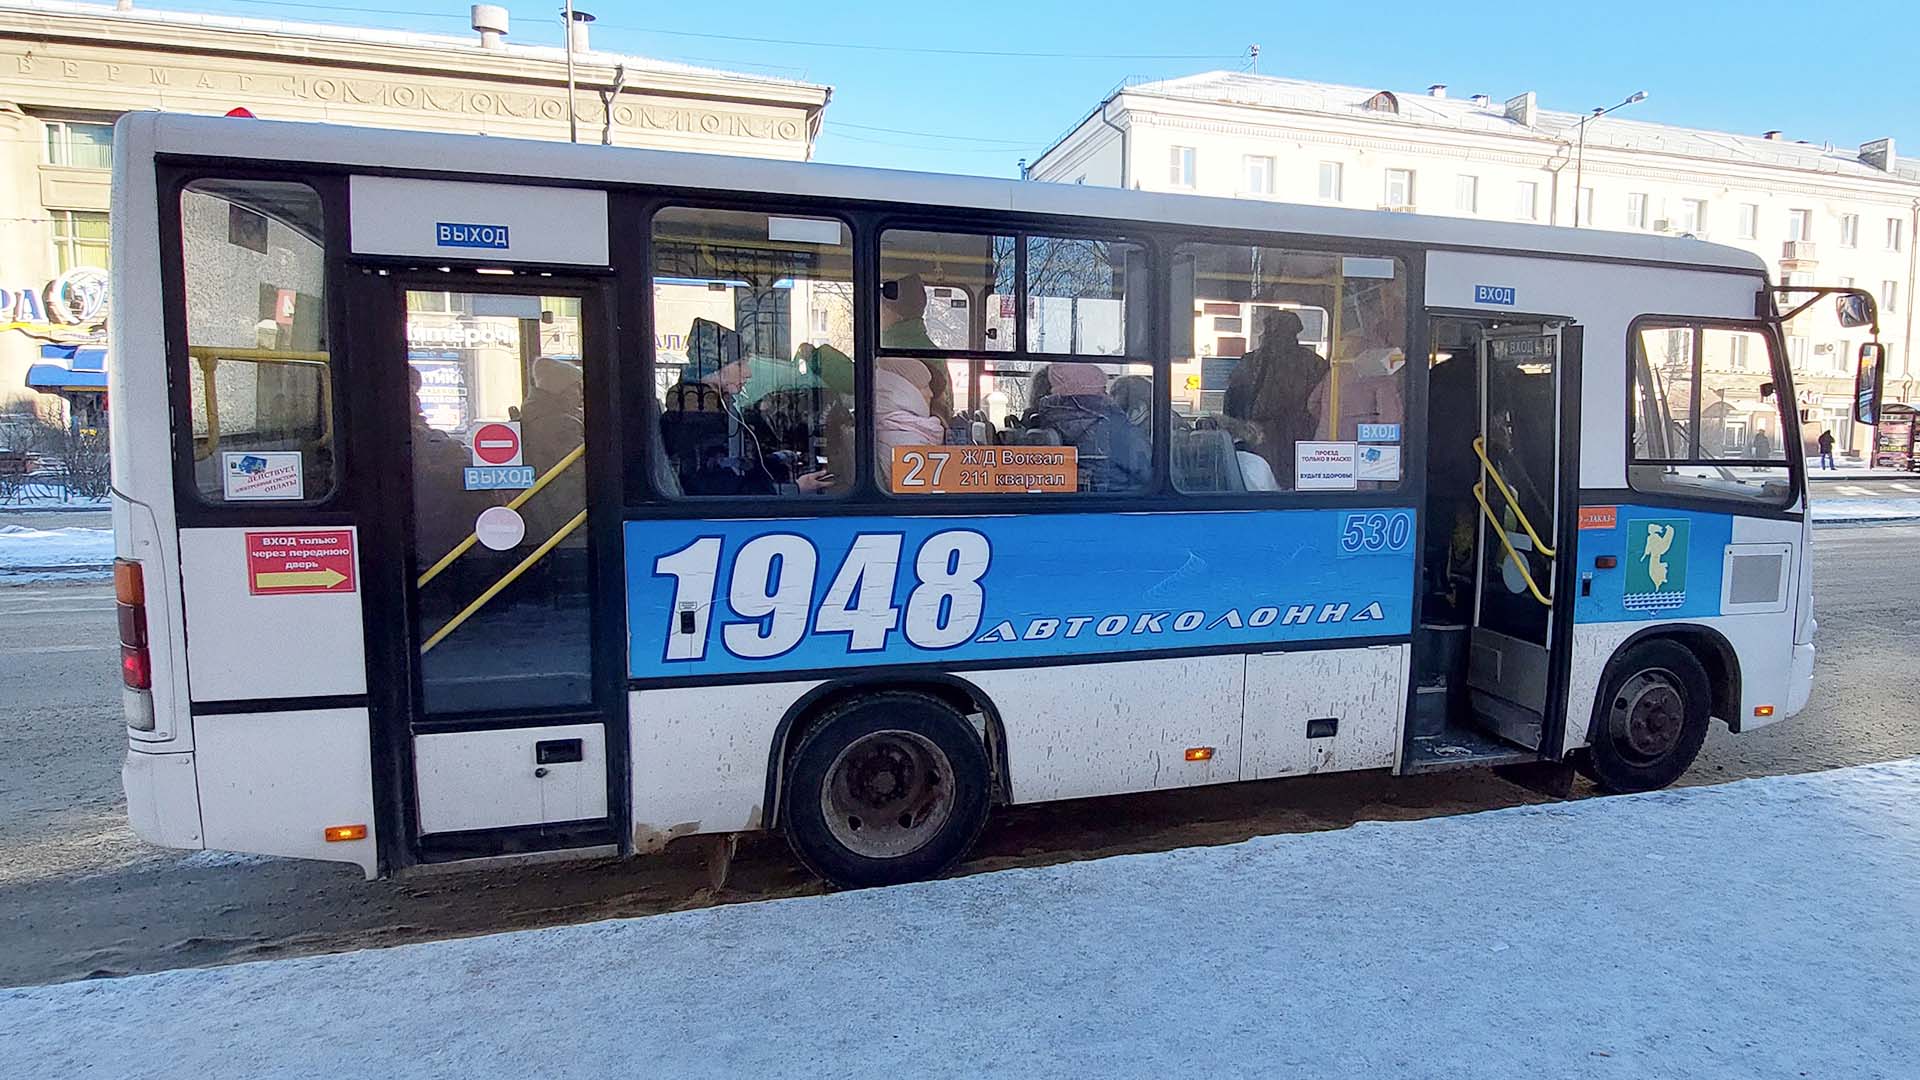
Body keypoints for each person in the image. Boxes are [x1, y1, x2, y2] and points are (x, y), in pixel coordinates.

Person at [1225, 309, 1329, 480]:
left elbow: (1231, 402)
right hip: (1292, 436)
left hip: (1269, 436)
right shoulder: (1315, 363)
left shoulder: (1251, 362)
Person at [1024, 361, 1149, 492]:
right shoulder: (1115, 426)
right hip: (1117, 502)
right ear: (1088, 393)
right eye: (1102, 389)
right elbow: (1150, 472)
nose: (1107, 397)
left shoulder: (1036, 428)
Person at [517, 356, 585, 546]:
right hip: (567, 513)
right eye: (575, 388)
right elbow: (583, 470)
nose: (580, 394)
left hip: (546, 511)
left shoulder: (535, 417)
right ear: (560, 391)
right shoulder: (561, 425)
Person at [874, 355, 946, 485]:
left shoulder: (890, 426)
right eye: (925, 387)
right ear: (907, 391)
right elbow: (923, 491)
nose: (931, 394)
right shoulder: (909, 439)